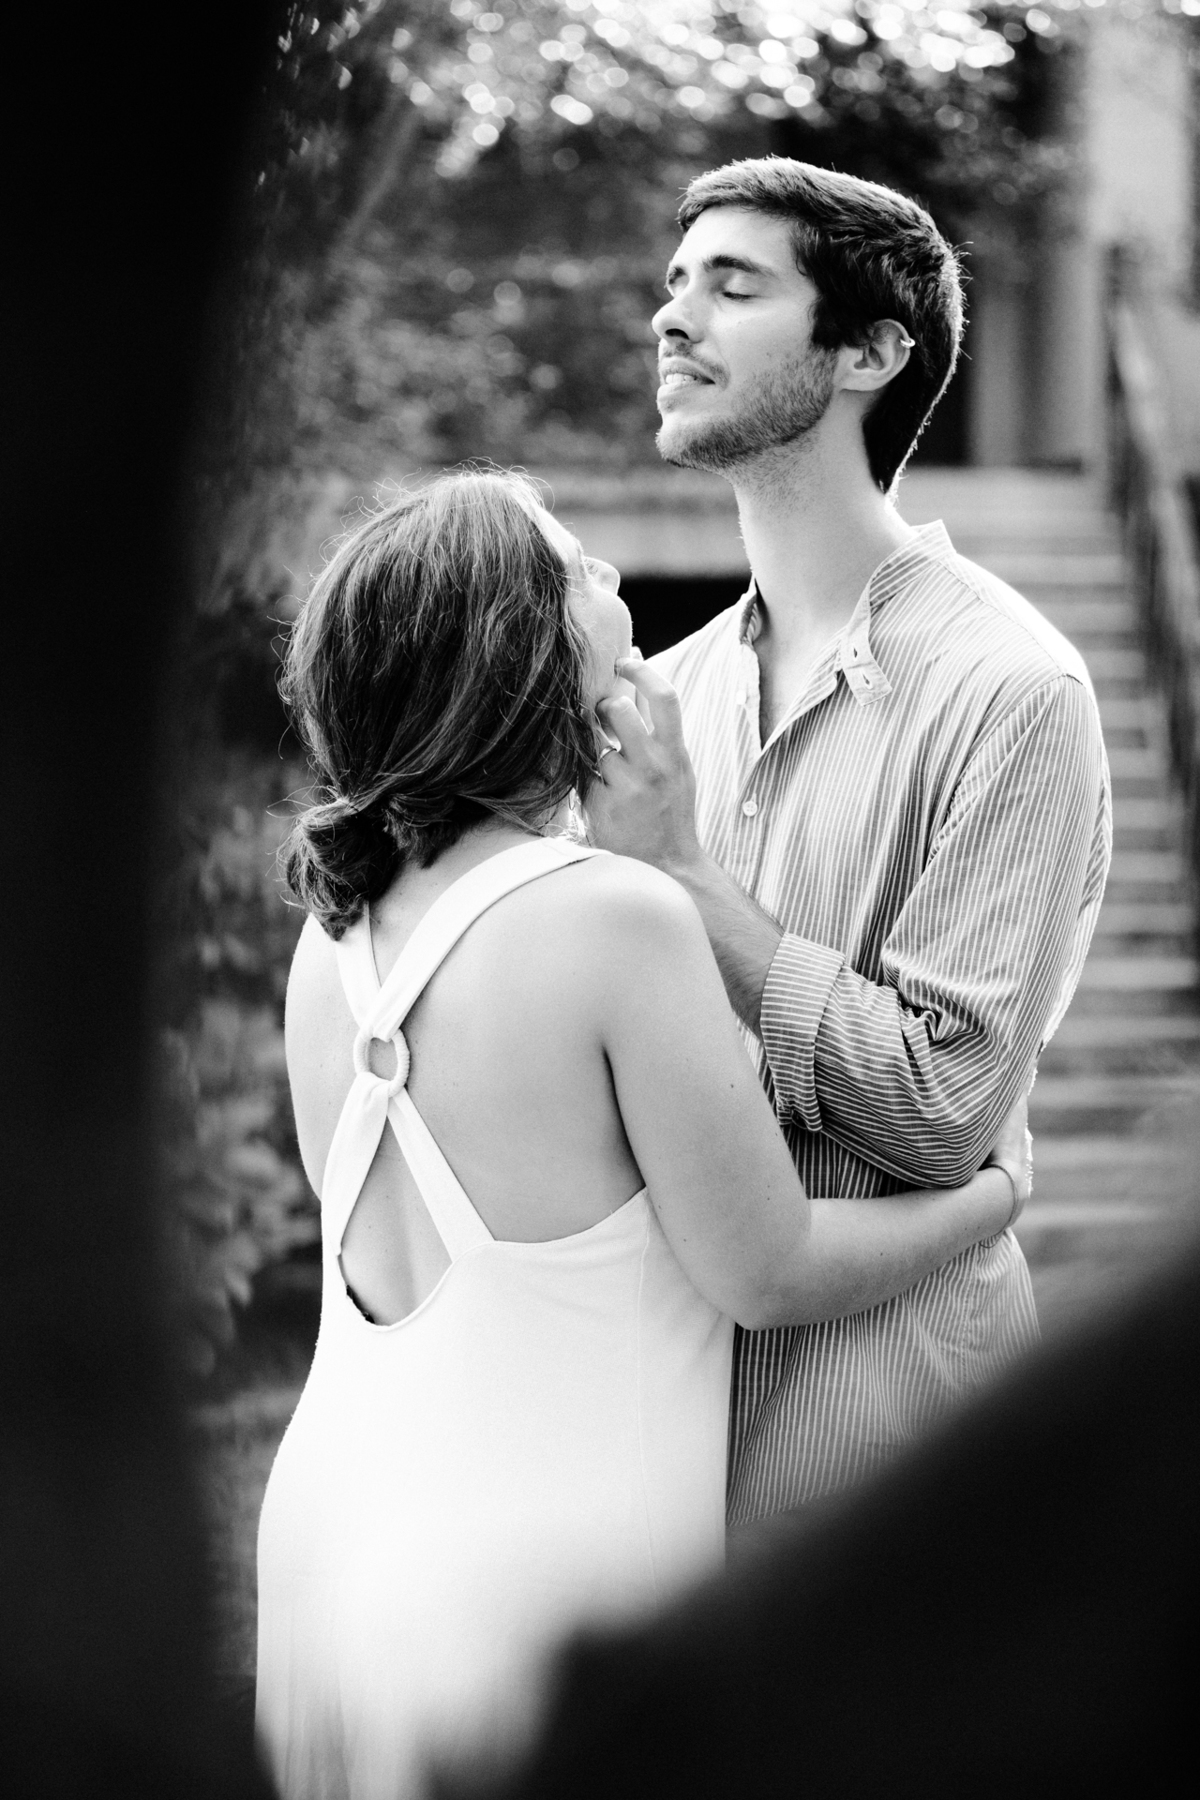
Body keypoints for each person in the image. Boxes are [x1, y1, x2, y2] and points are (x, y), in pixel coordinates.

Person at [254, 469, 1027, 1800]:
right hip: (539, 1596)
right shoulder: (615, 922)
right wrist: (993, 1191)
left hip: (330, 1560)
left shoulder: (333, 951)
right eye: (582, 573)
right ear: (525, 655)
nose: (618, 590)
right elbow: (765, 1266)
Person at [586, 157, 1112, 1532]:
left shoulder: (1015, 691)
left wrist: (687, 885)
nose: (672, 317)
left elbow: (947, 1116)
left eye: (734, 285)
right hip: (656, 1458)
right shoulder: (672, 690)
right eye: (675, 283)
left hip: (894, 1472)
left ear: (873, 350)